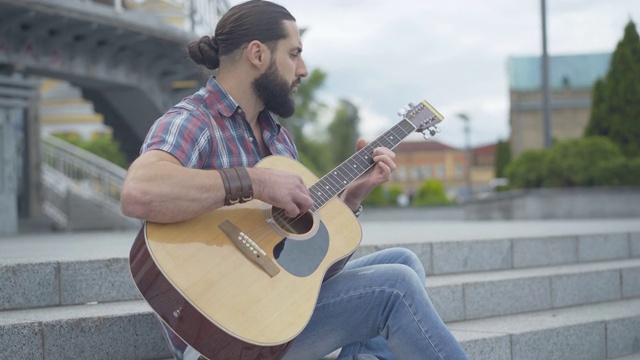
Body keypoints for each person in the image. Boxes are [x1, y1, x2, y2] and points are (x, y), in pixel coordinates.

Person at [120, 1, 468, 359]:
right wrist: (256, 182)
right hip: (220, 334)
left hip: (273, 313)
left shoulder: (278, 139)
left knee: (403, 262)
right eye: (294, 54)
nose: (302, 69)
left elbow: (302, 269)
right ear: (257, 53)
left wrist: (349, 200)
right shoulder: (194, 119)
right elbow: (139, 192)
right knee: (395, 287)